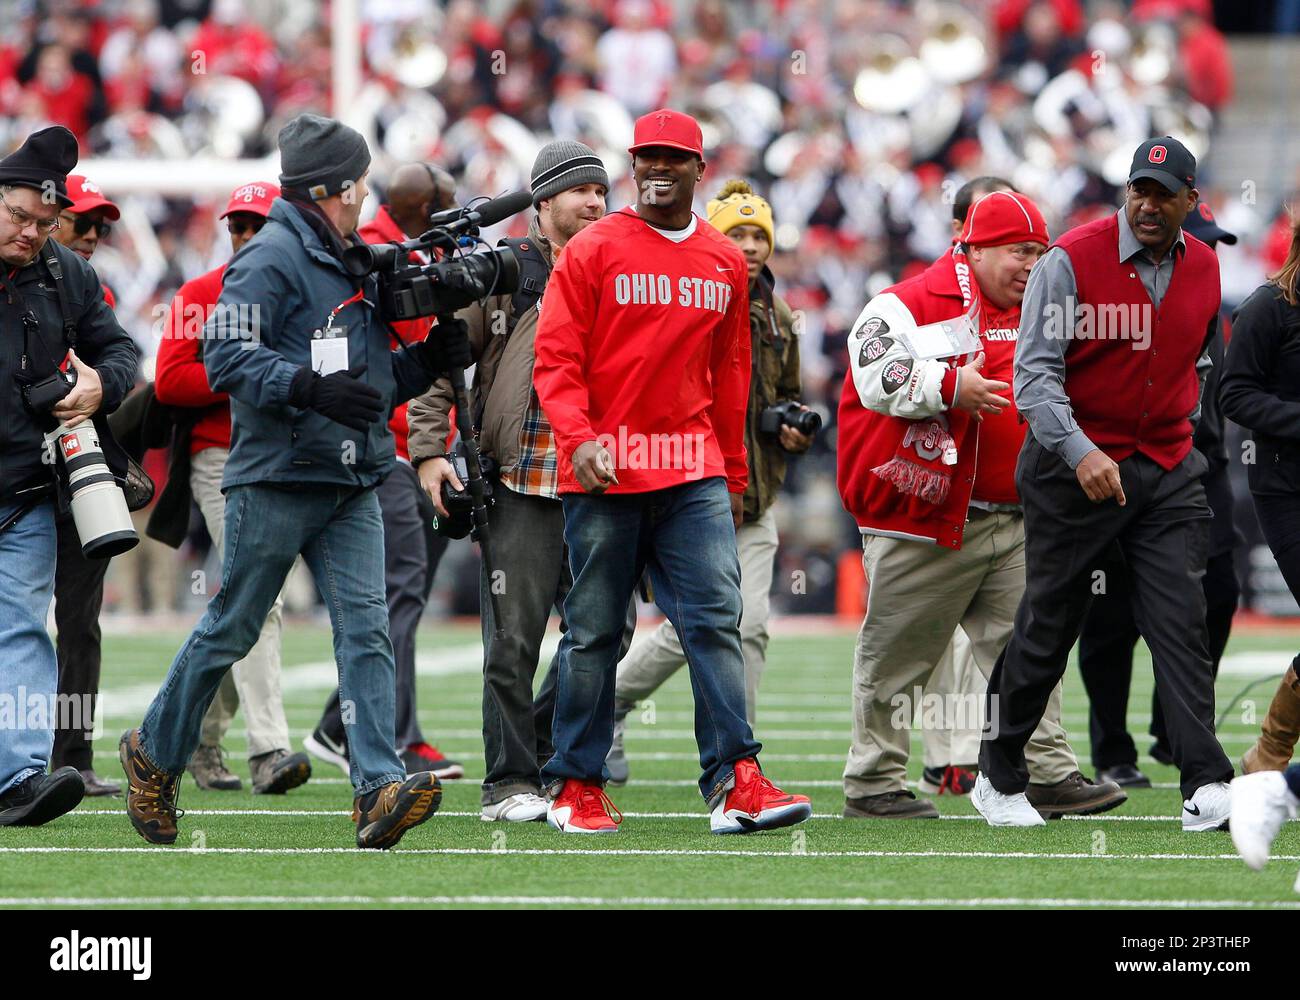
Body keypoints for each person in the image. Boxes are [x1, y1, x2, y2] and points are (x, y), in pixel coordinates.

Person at [120, 113, 471, 849]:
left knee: (367, 630)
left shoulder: (351, 261)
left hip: (353, 478)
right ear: (337, 188)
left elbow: (371, 384)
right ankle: (154, 752)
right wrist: (307, 387)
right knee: (233, 626)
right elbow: (225, 359)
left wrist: (431, 358)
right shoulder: (269, 260)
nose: (366, 195)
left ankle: (376, 786)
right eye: (360, 183)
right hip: (277, 476)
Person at [532, 108, 812, 834]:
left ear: (698, 169)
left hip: (691, 473)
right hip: (606, 472)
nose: (656, 169)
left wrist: (731, 471)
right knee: (594, 633)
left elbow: (731, 372)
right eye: (645, 158)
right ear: (633, 165)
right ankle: (575, 783)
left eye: (672, 159)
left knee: (718, 623)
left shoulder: (723, 259)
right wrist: (578, 438)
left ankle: (735, 781)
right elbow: (556, 360)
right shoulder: (592, 249)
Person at [836, 190, 1122, 820]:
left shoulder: (1046, 309)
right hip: (923, 518)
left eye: (1038, 253)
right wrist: (946, 385)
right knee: (897, 657)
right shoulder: (905, 301)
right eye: (1018, 252)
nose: (1030, 265)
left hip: (1018, 517)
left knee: (1031, 648)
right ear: (975, 247)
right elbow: (871, 374)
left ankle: (1045, 772)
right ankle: (874, 783)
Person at [976, 136, 1235, 830]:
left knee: (1182, 618)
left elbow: (1201, 363)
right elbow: (1033, 377)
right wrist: (1083, 451)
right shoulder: (1071, 260)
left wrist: (1180, 425)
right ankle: (997, 775)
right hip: (1070, 470)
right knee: (1050, 621)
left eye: (1162, 193)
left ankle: (1206, 780)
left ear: (1190, 200)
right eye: (1137, 191)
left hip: (1164, 467)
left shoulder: (1206, 267)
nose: (1147, 205)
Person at [410, 140, 611, 821]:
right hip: (521, 477)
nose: (594, 202)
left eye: (602, 192)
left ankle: (557, 756)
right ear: (542, 201)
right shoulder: (508, 272)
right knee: (513, 641)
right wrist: (430, 453)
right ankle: (509, 782)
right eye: (580, 191)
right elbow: (443, 360)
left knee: (606, 633)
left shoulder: (618, 267)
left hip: (599, 484)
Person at [605, 178, 814, 786]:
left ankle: (740, 762)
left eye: (758, 236)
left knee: (747, 626)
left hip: (753, 497)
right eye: (736, 233)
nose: (749, 246)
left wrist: (791, 429)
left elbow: (791, 393)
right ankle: (612, 701)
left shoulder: (778, 314)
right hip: (687, 487)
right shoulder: (686, 295)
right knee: (704, 623)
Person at [304, 162, 464, 782]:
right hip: (389, 444)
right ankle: (397, 736)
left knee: (405, 588)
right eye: (447, 205)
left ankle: (334, 726)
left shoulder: (416, 248)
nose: (456, 217)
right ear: (424, 207)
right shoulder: (374, 254)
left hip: (418, 443)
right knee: (400, 587)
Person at [154, 179, 313, 795]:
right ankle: (269, 749)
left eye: (257, 226)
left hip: (287, 457)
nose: (245, 236)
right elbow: (170, 381)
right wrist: (255, 372)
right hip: (222, 459)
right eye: (238, 227)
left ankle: (196, 734)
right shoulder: (200, 293)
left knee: (245, 603)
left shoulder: (301, 290)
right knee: (261, 600)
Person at [1076, 202, 1242, 789]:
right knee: (1110, 610)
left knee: (1217, 593)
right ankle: (1112, 747)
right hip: (1127, 465)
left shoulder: (1213, 303)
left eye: (1215, 243)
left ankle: (1173, 729)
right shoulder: (1126, 298)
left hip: (1202, 466)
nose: (1211, 253)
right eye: (1202, 242)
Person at [0, 126, 139, 826]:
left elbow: (121, 351)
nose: (32, 233)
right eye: (19, 216)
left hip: (25, 489)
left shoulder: (68, 273)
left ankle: (18, 777)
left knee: (23, 628)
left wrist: (100, 388)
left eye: (45, 223)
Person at [918, 174, 1017, 798]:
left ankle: (993, 758)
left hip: (1009, 498)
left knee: (1006, 636)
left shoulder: (1029, 297)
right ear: (964, 233)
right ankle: (945, 756)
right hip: (934, 489)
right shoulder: (926, 295)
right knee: (936, 637)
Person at [48, 173, 124, 796]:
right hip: (16, 470)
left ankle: (73, 757)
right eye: (84, 223)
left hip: (79, 470)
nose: (95, 236)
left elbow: (125, 359)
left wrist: (104, 384)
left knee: (79, 619)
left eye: (103, 226)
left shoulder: (88, 288)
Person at [1220, 208, 1300, 774]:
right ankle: (1270, 752)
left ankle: (1268, 755)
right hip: (1286, 487)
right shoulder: (1267, 307)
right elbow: (1236, 396)